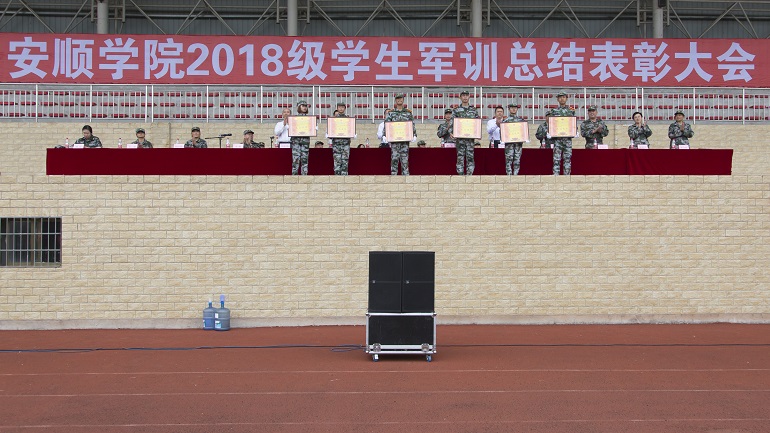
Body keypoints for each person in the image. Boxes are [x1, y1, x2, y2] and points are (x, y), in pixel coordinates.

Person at [384, 93, 416, 175]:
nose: (399, 100)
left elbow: (412, 124)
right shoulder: (391, 113)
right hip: (395, 141)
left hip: (405, 140)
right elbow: (387, 124)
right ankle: (394, 176)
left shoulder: (408, 113)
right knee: (394, 158)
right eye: (397, 98)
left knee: (405, 160)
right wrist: (385, 135)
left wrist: (414, 134)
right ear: (395, 100)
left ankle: (405, 176)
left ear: (403, 100)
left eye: (400, 98)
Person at [450, 90, 480, 175]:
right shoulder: (456, 110)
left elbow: (477, 123)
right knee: (460, 157)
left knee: (470, 157)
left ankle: (469, 175)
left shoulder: (474, 110)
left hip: (470, 138)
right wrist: (451, 132)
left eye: (467, 95)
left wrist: (478, 133)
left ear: (469, 97)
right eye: (463, 95)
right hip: (460, 138)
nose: (465, 97)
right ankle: (460, 175)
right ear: (460, 97)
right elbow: (452, 122)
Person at [550, 90, 576, 175]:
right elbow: (552, 123)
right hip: (557, 139)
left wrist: (575, 130)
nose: (562, 99)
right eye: (560, 97)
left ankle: (567, 177)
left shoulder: (571, 110)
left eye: (563, 97)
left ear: (566, 98)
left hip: (567, 139)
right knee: (556, 159)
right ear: (557, 99)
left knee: (567, 159)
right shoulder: (554, 111)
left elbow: (573, 123)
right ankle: (556, 177)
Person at [501, 103, 525, 175]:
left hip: (518, 144)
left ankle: (516, 175)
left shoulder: (521, 121)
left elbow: (524, 131)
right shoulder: (505, 121)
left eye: (515, 107)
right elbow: (502, 132)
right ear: (509, 109)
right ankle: (509, 175)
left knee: (517, 160)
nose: (514, 109)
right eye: (512, 108)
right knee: (509, 160)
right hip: (509, 144)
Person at [330, 102, 352, 175]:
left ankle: (344, 178)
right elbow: (331, 130)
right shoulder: (333, 119)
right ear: (337, 108)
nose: (341, 109)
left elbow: (351, 129)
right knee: (337, 161)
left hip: (345, 143)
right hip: (336, 143)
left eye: (342, 107)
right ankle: (337, 178)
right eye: (339, 107)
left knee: (345, 161)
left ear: (345, 108)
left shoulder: (348, 119)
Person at [290, 100, 312, 175]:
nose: (304, 108)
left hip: (305, 141)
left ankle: (304, 176)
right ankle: (294, 176)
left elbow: (313, 128)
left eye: (306, 106)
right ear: (299, 107)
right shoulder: (294, 118)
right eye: (303, 106)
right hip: (296, 141)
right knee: (295, 159)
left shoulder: (310, 119)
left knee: (304, 159)